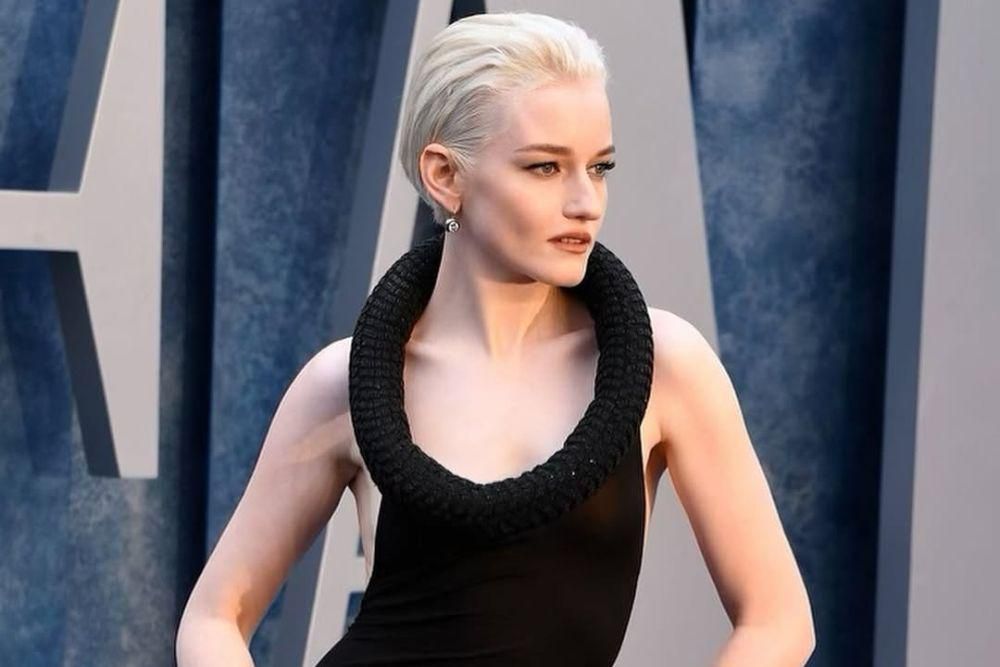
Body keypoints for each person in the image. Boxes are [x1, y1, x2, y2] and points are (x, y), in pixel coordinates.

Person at [176, 11, 815, 667]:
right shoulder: (347, 383)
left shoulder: (665, 365)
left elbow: (778, 621)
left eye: (599, 167)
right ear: (444, 176)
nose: (585, 202)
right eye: (545, 167)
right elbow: (212, 618)